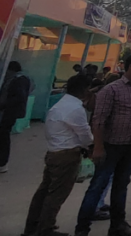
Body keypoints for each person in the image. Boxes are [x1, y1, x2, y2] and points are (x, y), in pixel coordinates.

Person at [75, 53, 131, 236]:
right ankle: (82, 229)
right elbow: (99, 120)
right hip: (111, 145)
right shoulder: (111, 90)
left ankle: (118, 226)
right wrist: (98, 147)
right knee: (98, 186)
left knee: (121, 186)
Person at [23, 75, 94, 236]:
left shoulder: (62, 104)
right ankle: (45, 228)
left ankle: (33, 225)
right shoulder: (76, 108)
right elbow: (85, 135)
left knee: (44, 191)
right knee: (56, 195)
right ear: (85, 90)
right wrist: (93, 146)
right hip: (67, 155)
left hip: (55, 152)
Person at [0, 60, 32, 172]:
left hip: (8, 113)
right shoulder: (21, 78)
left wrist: (3, 104)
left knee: (3, 136)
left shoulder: (18, 80)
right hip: (8, 112)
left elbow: (19, 97)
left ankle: (2, 162)